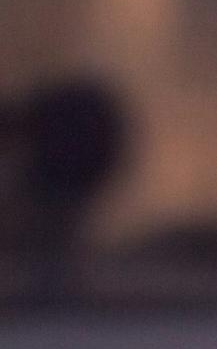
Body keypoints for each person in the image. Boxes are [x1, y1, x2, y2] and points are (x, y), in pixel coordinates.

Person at [13, 70, 131, 302]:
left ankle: (56, 284)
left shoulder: (58, 117)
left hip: (63, 178)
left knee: (55, 232)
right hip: (68, 178)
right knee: (59, 233)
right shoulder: (75, 116)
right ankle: (59, 283)